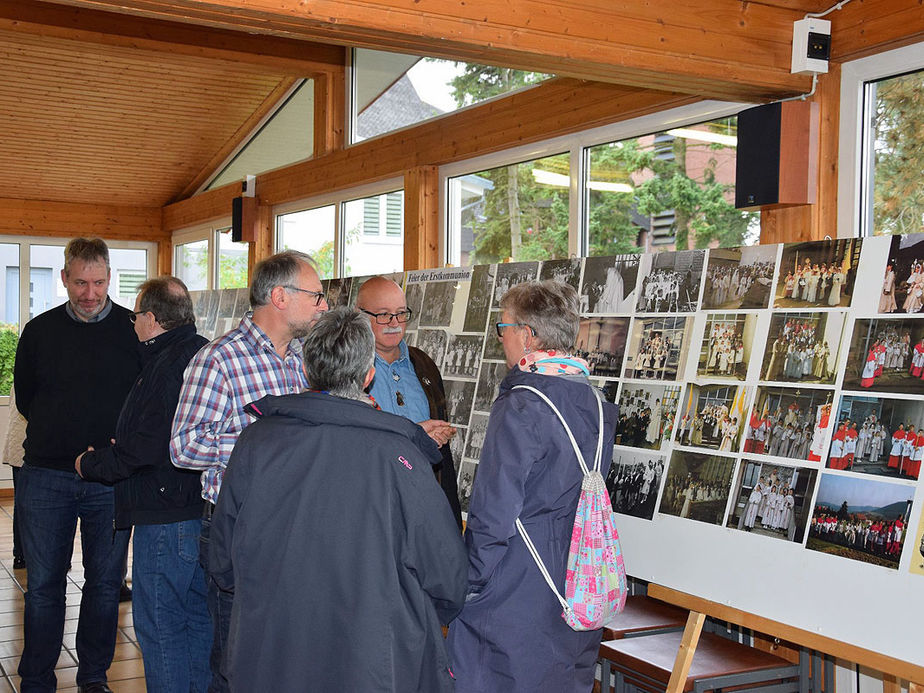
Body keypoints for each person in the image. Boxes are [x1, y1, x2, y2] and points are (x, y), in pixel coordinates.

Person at [209, 307, 467, 691]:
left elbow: (223, 557)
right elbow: (446, 570)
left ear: (309, 371)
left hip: (272, 651)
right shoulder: (399, 456)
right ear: (368, 375)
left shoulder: (255, 441)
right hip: (372, 658)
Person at [447, 280, 619, 692]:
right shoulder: (596, 402)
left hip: (516, 587)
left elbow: (494, 513)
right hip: (577, 579)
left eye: (502, 328)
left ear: (528, 335)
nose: (501, 338)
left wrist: (468, 584)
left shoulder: (522, 404)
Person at [170, 250, 328, 692]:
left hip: (298, 525)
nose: (324, 305)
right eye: (316, 295)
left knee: (288, 652)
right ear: (280, 296)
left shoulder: (303, 360)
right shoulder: (217, 359)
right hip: (238, 529)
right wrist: (258, 441)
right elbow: (183, 447)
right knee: (236, 659)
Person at [13, 238, 141, 693]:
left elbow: (144, 403)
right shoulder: (39, 331)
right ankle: (36, 680)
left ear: (111, 278)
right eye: (81, 282)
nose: (90, 293)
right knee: (45, 586)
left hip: (109, 479)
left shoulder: (133, 328)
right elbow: (25, 397)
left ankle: (93, 677)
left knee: (105, 586)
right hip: (46, 475)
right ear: (64, 278)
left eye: (100, 282)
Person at [76, 277, 211, 692]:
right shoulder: (202, 351)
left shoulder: (166, 365)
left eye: (136, 316)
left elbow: (144, 451)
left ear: (151, 319)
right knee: (196, 621)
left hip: (163, 516)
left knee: (161, 628)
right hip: (197, 511)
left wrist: (89, 464)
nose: (134, 324)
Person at [355, 276, 463, 527]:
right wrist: (414, 434)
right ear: (359, 315)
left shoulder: (423, 365)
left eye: (401, 314)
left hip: (424, 503)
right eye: (383, 315)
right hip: (373, 506)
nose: (394, 324)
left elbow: (442, 459)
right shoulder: (349, 369)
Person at [1, 385, 27, 569]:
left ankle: (20, 555)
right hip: (26, 447)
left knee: (21, 503)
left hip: (19, 446)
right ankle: (22, 553)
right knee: (24, 504)